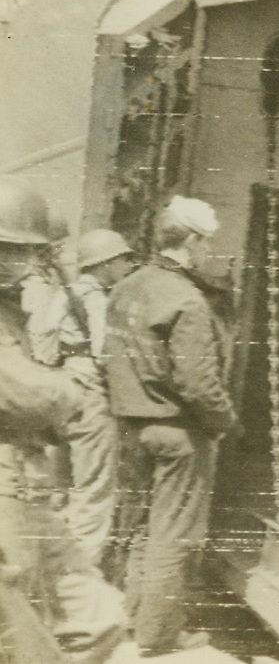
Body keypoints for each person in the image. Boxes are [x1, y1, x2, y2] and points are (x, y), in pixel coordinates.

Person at [0, 178, 126, 664]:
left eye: (30, 252)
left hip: (27, 484)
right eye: (16, 251)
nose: (27, 264)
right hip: (7, 489)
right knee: (22, 639)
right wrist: (70, 386)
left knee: (97, 617)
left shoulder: (15, 305)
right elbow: (21, 391)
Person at [106, 196, 238, 656]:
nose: (208, 252)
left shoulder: (124, 289)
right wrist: (225, 422)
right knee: (172, 535)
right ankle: (159, 637)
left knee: (140, 527)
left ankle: (132, 619)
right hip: (177, 433)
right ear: (194, 242)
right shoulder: (188, 300)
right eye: (207, 243)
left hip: (129, 428)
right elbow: (198, 384)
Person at [57, 229, 135, 567]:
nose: (126, 266)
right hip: (93, 397)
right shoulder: (98, 300)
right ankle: (80, 578)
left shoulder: (64, 293)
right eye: (122, 260)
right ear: (105, 264)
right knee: (95, 493)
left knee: (63, 489)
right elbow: (107, 354)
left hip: (63, 391)